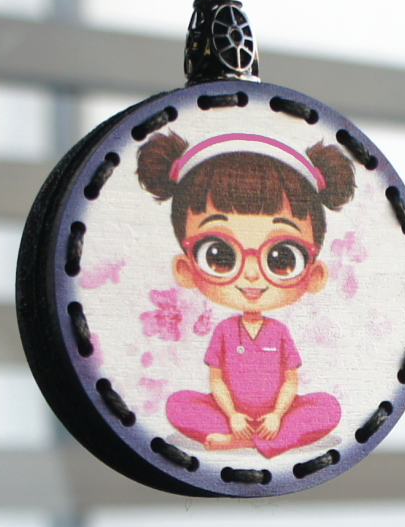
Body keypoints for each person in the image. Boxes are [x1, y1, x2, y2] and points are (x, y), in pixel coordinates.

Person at [136, 129, 355, 458]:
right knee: (179, 405)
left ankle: (257, 439)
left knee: (327, 408)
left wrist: (277, 415)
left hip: (277, 415)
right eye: (220, 255)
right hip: (229, 416)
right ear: (186, 269)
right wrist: (233, 416)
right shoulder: (225, 332)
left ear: (314, 275)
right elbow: (217, 380)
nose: (251, 274)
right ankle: (256, 439)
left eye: (281, 258)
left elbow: (290, 382)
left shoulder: (279, 332)